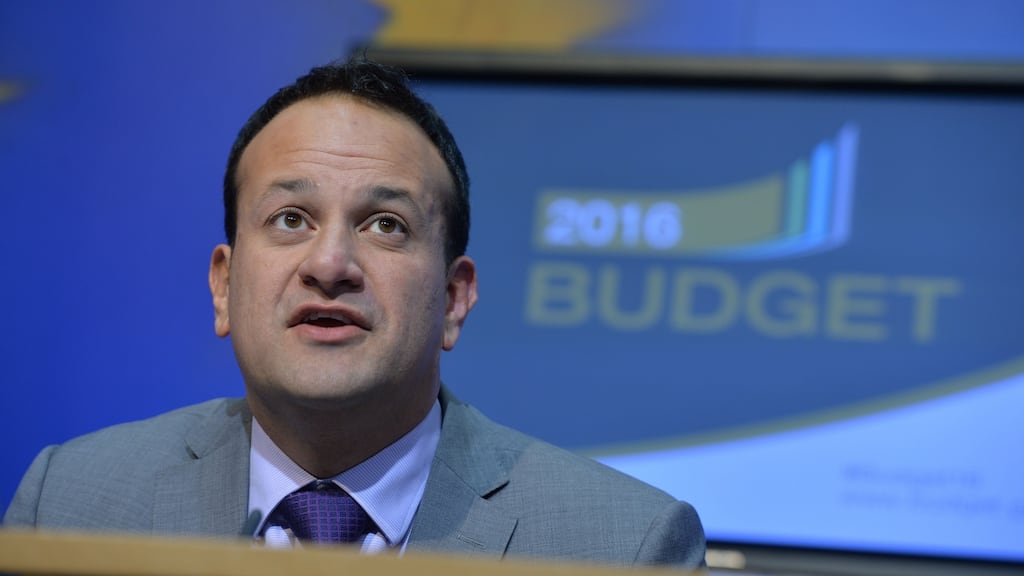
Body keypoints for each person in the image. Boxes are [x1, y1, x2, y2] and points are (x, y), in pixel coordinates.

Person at [4, 57, 705, 567]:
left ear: (455, 299)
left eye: (386, 226)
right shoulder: (71, 497)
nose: (330, 263)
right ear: (223, 285)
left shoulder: (624, 547)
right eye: (289, 218)